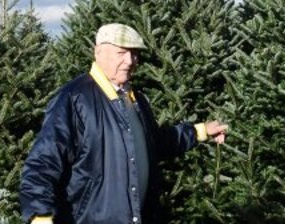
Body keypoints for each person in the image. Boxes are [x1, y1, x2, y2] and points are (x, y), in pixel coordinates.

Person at [20, 23, 228, 224]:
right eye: (121, 53)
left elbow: (154, 143)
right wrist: (40, 216)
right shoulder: (74, 99)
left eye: (134, 54)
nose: (129, 61)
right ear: (98, 52)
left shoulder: (136, 99)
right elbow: (43, 162)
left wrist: (201, 131)